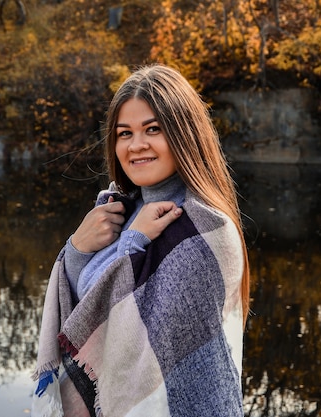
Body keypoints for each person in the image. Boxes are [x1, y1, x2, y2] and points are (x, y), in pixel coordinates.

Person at [31, 64, 250, 417]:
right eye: (124, 133)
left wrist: (131, 243)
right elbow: (81, 319)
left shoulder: (204, 233)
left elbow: (131, 346)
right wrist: (77, 248)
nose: (136, 145)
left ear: (183, 133)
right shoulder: (119, 209)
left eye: (153, 129)